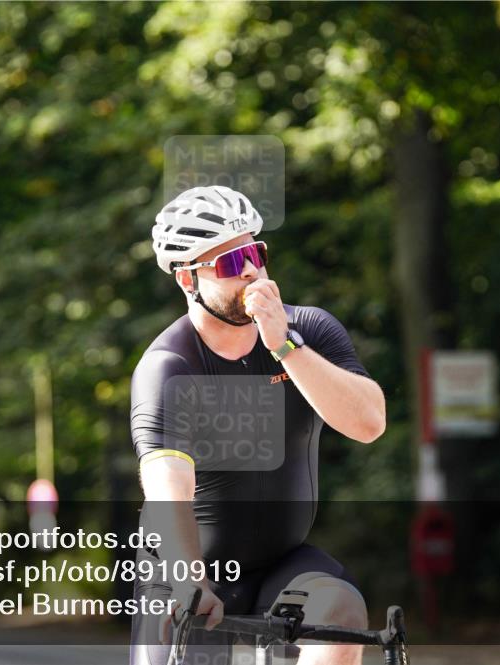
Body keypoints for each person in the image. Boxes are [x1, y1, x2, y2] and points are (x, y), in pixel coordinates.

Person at [130, 185, 387, 665]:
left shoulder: (308, 330)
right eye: (230, 262)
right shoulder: (170, 365)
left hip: (281, 564)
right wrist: (189, 580)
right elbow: (168, 486)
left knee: (341, 610)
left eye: (255, 253)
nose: (250, 270)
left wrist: (286, 347)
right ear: (187, 279)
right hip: (190, 568)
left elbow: (369, 424)